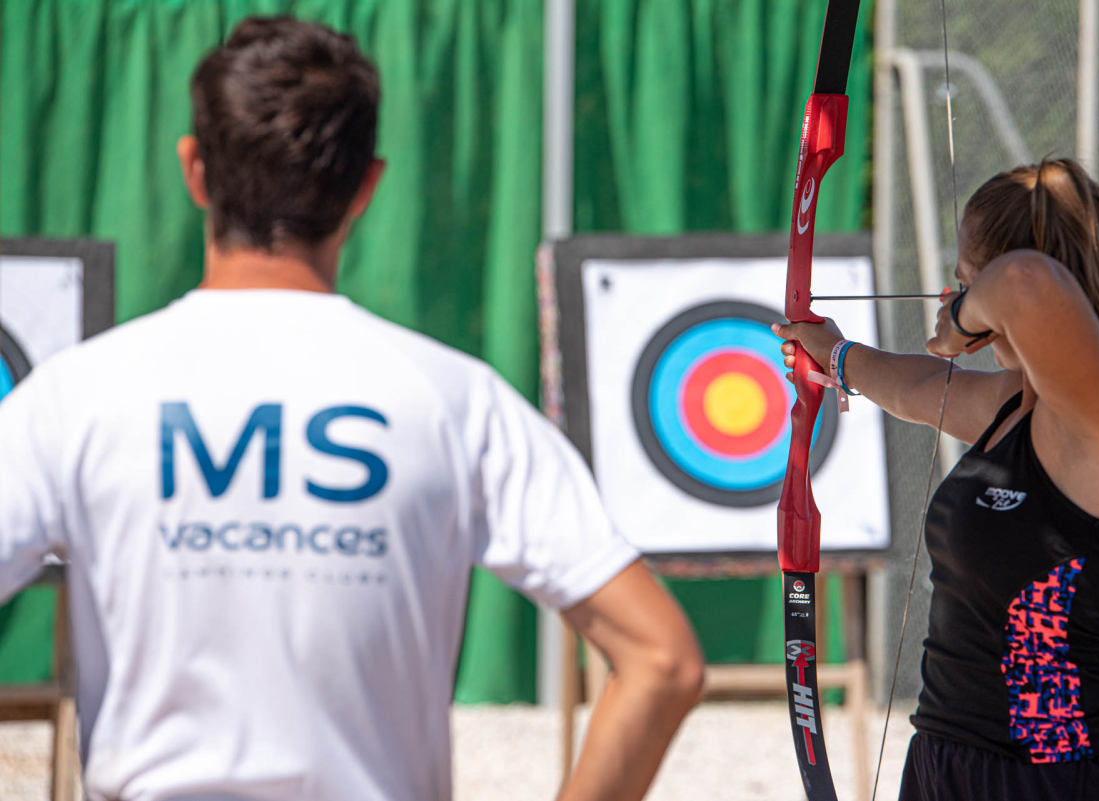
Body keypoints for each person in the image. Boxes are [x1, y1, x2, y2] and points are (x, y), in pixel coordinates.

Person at [0, 17, 704, 801]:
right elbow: (662, 659)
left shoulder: (76, 395)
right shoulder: (455, 400)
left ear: (195, 170)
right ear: (367, 186)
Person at [775, 157, 1099, 800]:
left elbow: (1023, 281)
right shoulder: (1016, 406)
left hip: (1060, 779)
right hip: (947, 767)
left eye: (961, 281)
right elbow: (921, 388)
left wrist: (958, 325)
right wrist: (836, 355)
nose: (949, 297)